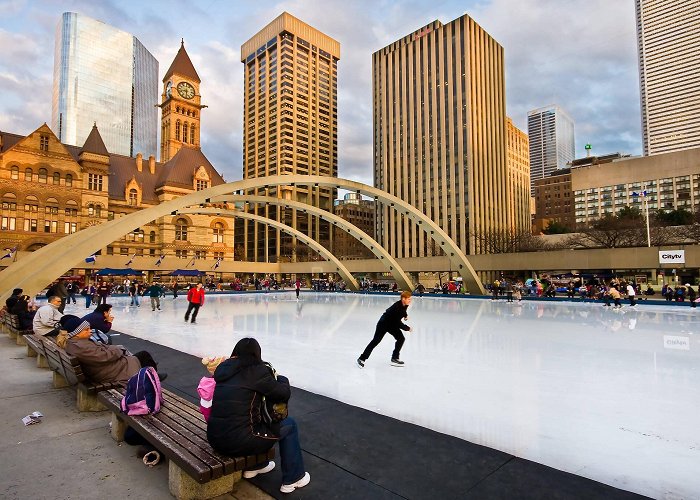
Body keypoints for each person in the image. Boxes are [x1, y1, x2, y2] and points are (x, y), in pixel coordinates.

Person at [207, 338, 310, 494]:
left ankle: (255, 466)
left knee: (252, 421)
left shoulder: (223, 370)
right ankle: (293, 478)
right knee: (289, 425)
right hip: (237, 442)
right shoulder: (256, 372)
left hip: (215, 439)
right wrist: (282, 379)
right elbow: (282, 394)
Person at [60, 315, 166, 383]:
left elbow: (100, 353)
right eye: (86, 330)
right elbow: (104, 357)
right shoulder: (81, 347)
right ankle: (153, 378)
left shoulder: (75, 343)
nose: (90, 331)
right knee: (143, 355)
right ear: (77, 334)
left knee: (142, 357)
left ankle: (151, 372)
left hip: (101, 369)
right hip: (107, 372)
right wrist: (118, 349)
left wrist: (114, 349)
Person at [357, 291, 412, 368]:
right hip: (383, 324)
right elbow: (397, 323)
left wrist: (405, 316)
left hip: (391, 324)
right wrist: (407, 328)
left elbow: (403, 311)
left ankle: (394, 358)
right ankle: (361, 359)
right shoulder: (396, 308)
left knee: (401, 338)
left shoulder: (404, 304)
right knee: (375, 341)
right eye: (409, 299)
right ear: (403, 299)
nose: (410, 301)